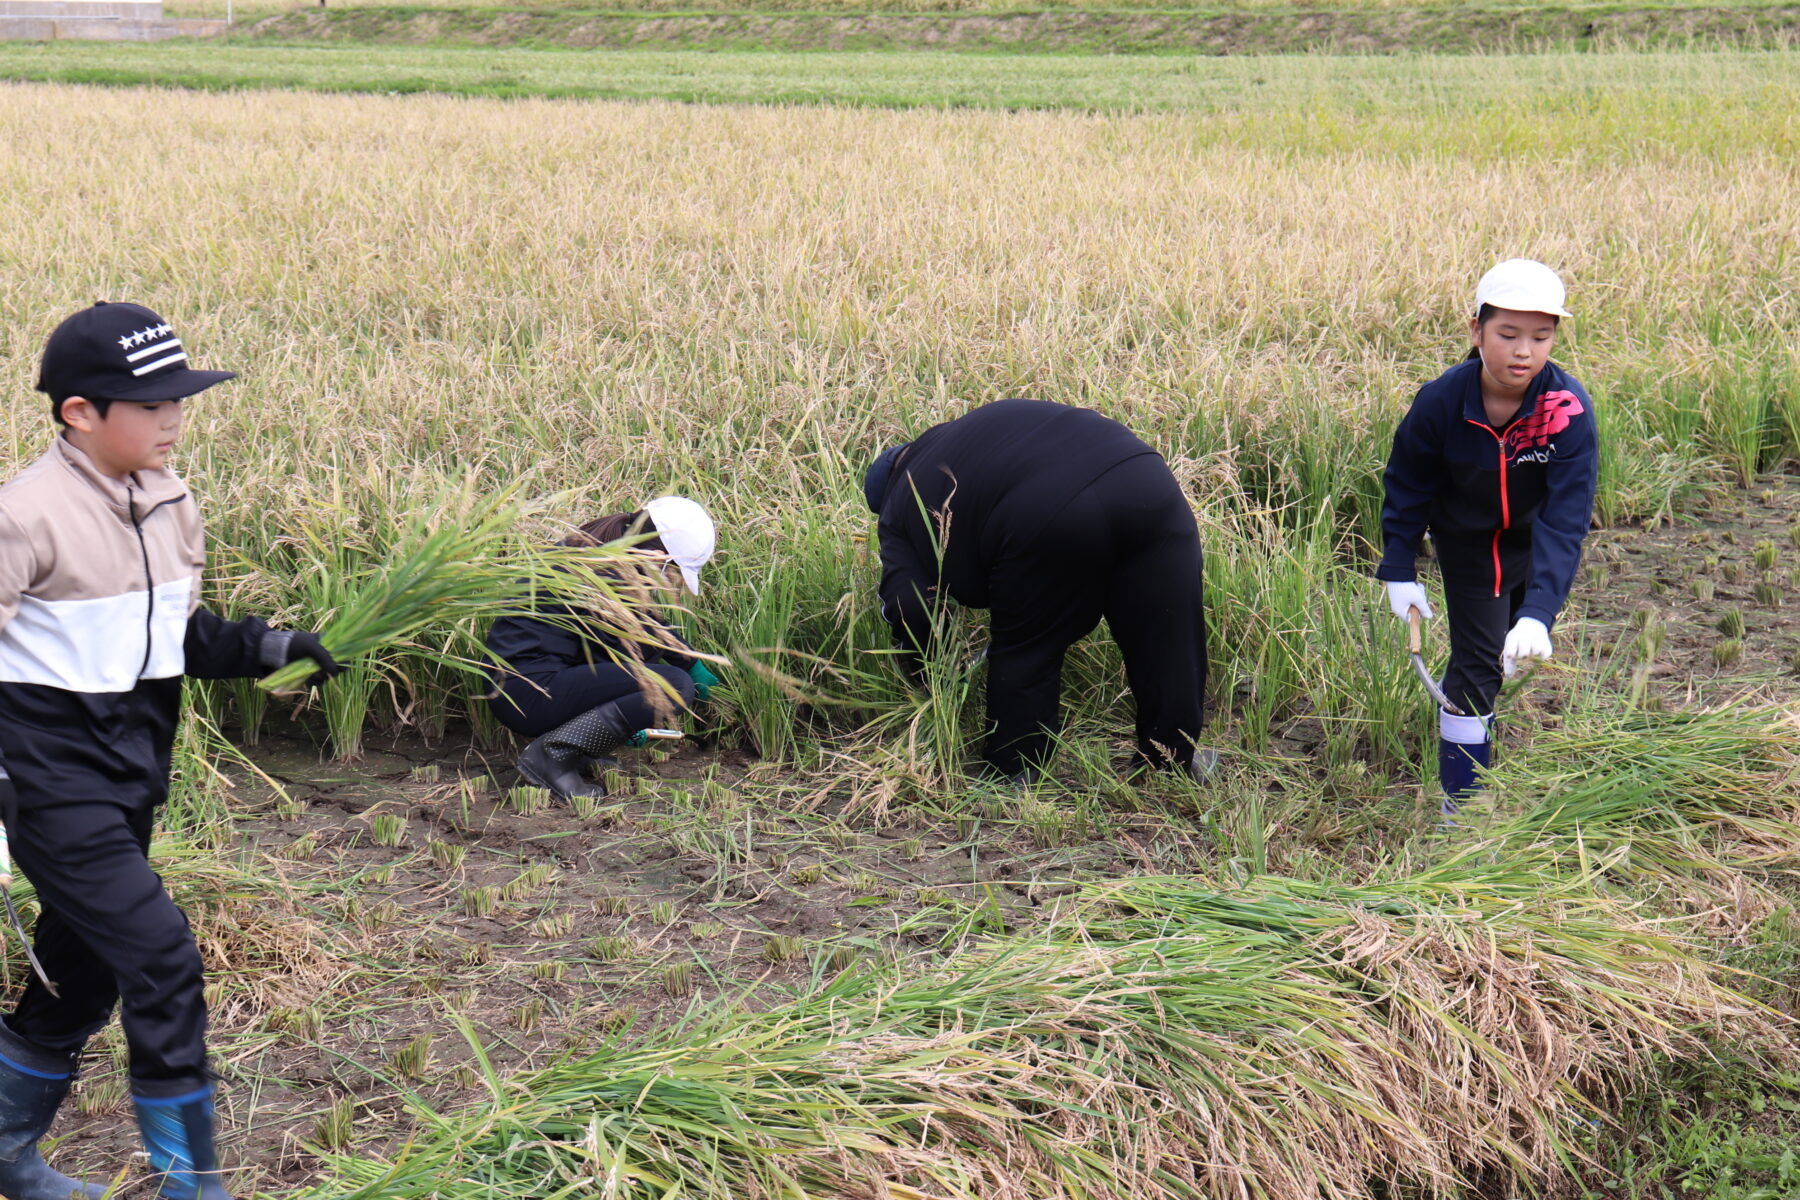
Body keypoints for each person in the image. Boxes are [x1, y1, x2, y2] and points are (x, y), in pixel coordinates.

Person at [0, 302, 341, 1200]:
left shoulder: (167, 503)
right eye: (150, 404)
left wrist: (268, 648)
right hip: (47, 780)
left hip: (129, 775)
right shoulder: (22, 518)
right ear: (79, 412)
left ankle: (5, 1156)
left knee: (81, 975)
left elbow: (171, 637)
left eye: (179, 400)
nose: (173, 418)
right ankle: (194, 1186)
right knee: (161, 957)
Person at [864, 397, 1211, 783]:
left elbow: (909, 606)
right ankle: (1171, 762)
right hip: (1146, 477)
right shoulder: (966, 434)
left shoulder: (896, 502)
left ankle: (1017, 773)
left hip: (1052, 509)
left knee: (1027, 645)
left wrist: (933, 677)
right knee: (1170, 635)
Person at [1375, 260, 1598, 812]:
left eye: (1541, 337)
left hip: (1532, 545)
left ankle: (1481, 731)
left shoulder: (1565, 411)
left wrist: (1541, 611)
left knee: (1510, 650)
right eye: (1508, 334)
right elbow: (1408, 486)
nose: (1524, 351)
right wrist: (1399, 569)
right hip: (1470, 547)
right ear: (1476, 330)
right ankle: (1463, 811)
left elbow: (1565, 518)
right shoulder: (1441, 403)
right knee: (1476, 667)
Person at [485, 497, 718, 803]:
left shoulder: (593, 553)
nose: (668, 582)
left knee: (668, 679)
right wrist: (643, 709)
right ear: (658, 557)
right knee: (672, 685)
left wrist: (689, 660)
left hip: (522, 686)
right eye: (671, 572)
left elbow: (644, 630)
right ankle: (551, 757)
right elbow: (642, 645)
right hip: (529, 692)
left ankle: (577, 751)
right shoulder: (607, 577)